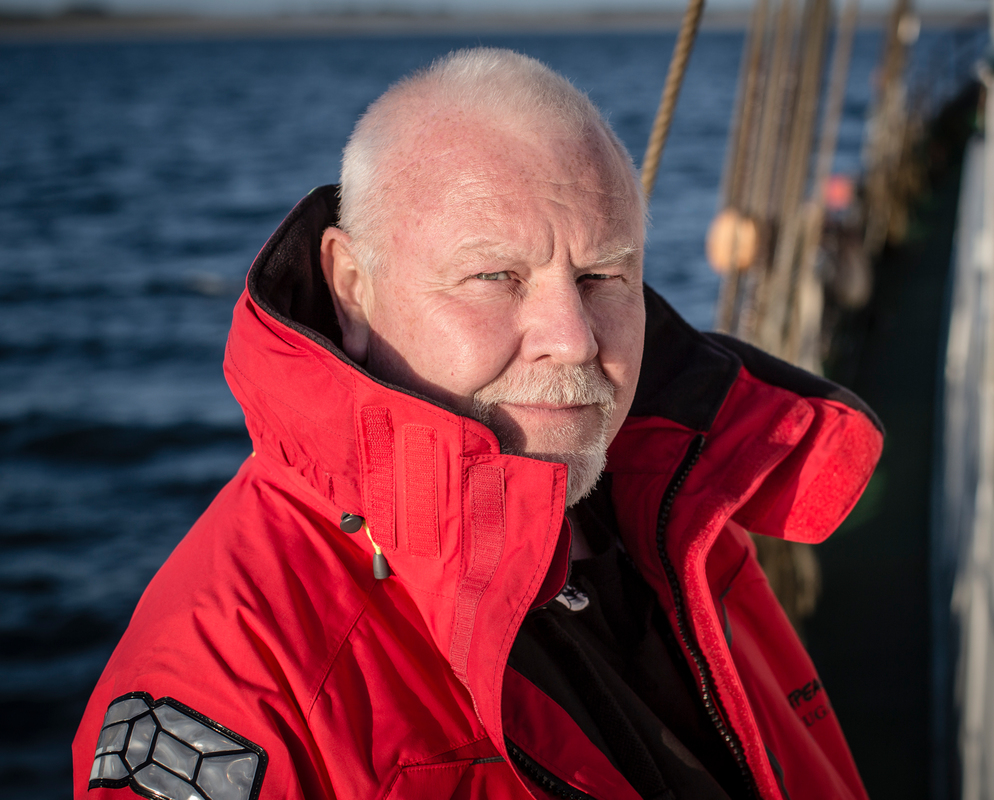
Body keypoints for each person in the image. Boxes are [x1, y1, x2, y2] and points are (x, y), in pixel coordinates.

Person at [74, 48, 883, 800]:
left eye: (604, 274)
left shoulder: (680, 505)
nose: (574, 336)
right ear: (353, 289)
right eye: (494, 275)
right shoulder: (236, 683)